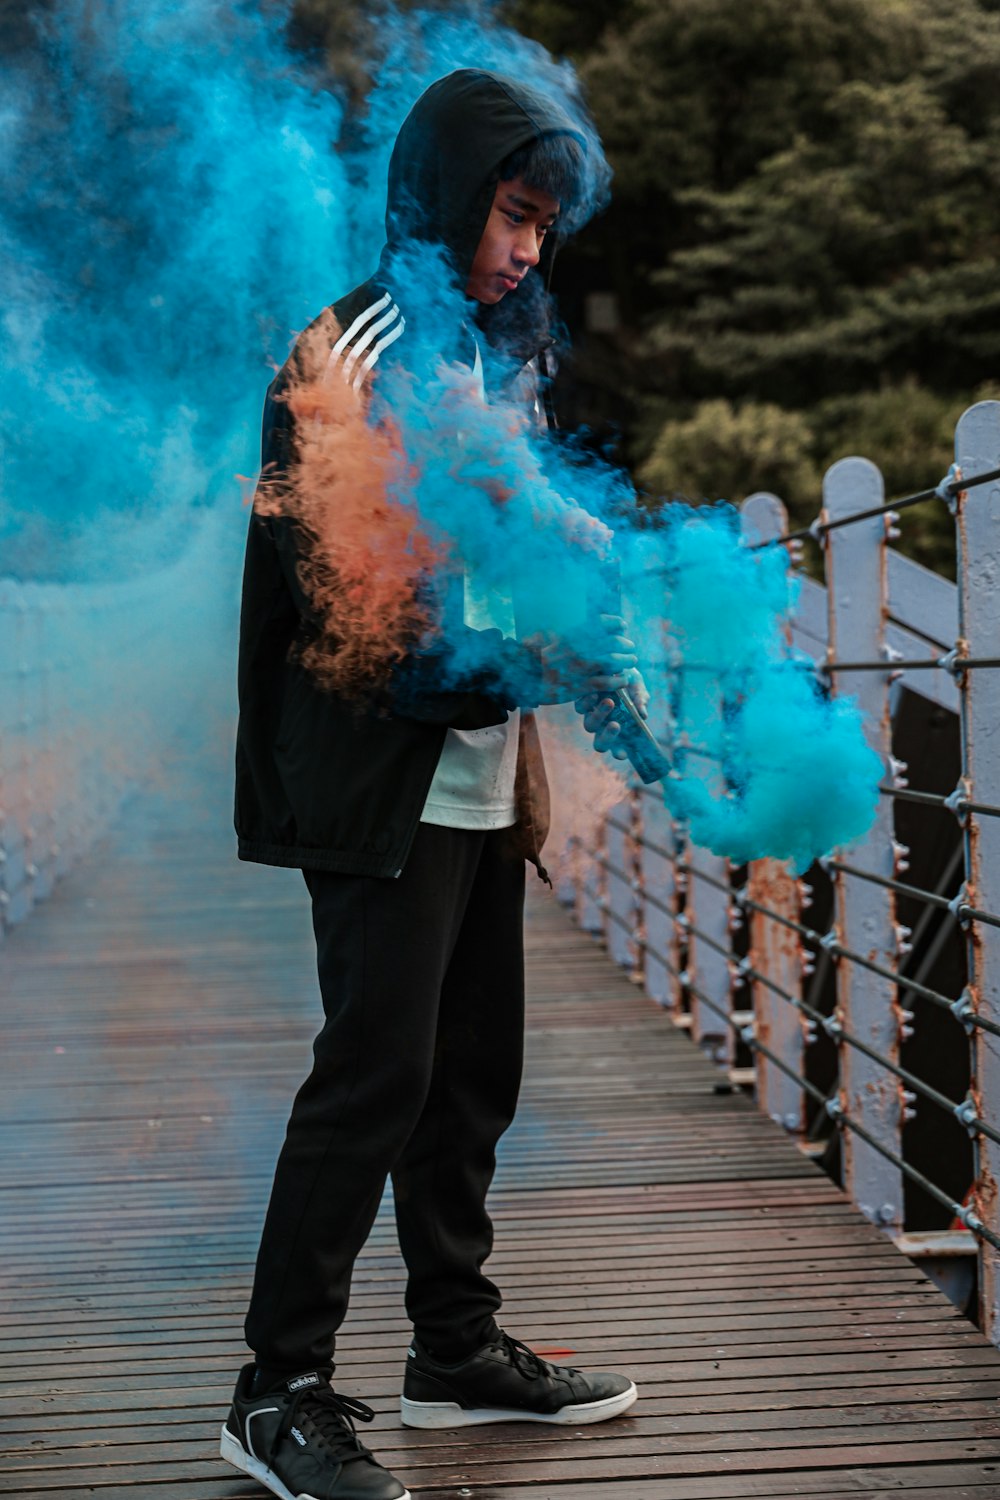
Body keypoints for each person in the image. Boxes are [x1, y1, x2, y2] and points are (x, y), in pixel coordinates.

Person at [223, 68, 639, 1500]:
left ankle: (452, 1352)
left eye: (544, 230)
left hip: (468, 771)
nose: (528, 250)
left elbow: (512, 529)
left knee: (469, 1076)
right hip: (375, 769)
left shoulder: (477, 351)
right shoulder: (349, 349)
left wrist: (582, 579)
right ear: (449, 195)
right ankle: (275, 1390)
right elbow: (361, 623)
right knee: (374, 1077)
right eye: (514, 215)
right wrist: (529, 664)